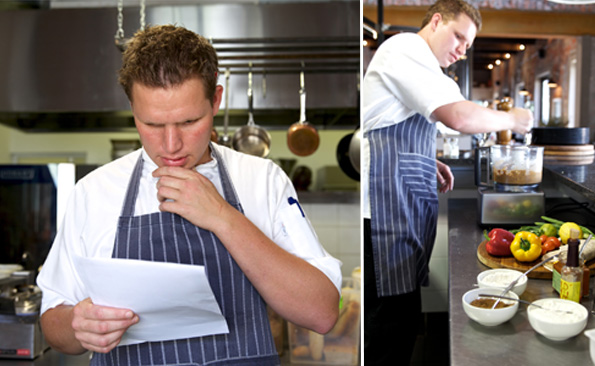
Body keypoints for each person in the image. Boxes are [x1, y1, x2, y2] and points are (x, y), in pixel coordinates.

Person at [37, 25, 342, 365]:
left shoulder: (262, 180)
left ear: (216, 100)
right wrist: (78, 325)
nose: (171, 146)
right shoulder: (93, 192)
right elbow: (53, 320)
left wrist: (223, 217)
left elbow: (322, 312)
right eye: (151, 124)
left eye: (188, 122)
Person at [362, 0, 533, 364]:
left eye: (468, 45)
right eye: (458, 36)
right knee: (390, 326)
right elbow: (458, 116)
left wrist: (427, 160)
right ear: (436, 21)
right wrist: (512, 119)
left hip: (396, 210)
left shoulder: (426, 68)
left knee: (401, 319)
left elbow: (390, 127)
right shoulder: (405, 48)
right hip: (382, 217)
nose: (461, 49)